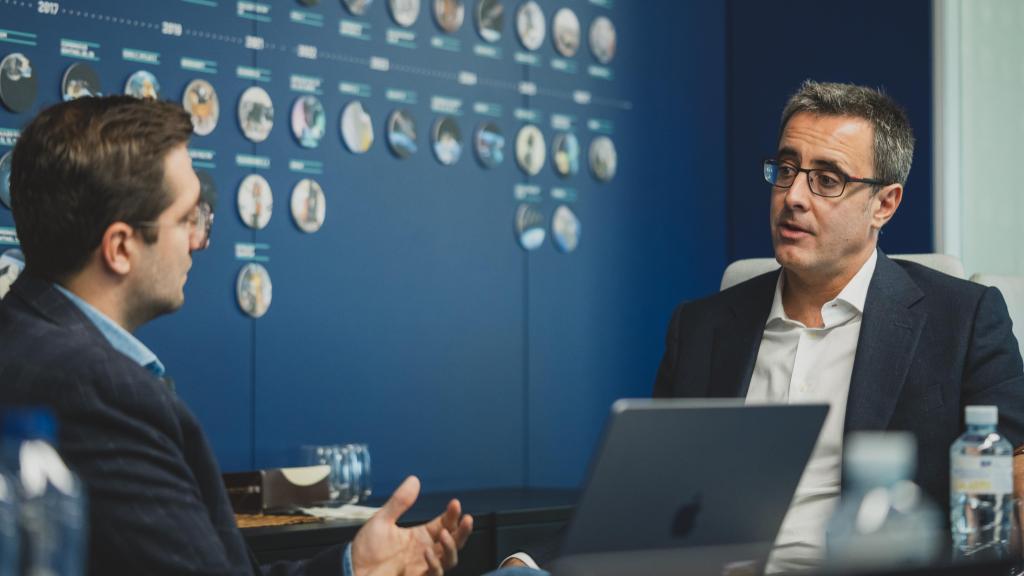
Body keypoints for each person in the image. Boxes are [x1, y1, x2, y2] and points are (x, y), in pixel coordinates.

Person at [0, 96, 472, 576]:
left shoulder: (28, 342)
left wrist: (353, 567)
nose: (201, 240)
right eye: (187, 219)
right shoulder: (95, 389)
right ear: (121, 248)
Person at [653, 80, 1024, 572]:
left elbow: (1008, 480)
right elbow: (646, 498)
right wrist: (526, 560)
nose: (794, 197)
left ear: (884, 204)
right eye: (786, 170)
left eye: (827, 180)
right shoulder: (700, 328)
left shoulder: (961, 320)